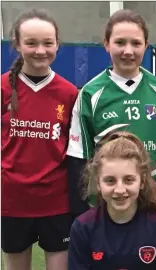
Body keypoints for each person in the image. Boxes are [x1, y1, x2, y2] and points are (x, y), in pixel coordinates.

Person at [66, 9, 156, 220]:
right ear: (106, 44)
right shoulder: (90, 94)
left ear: (146, 46)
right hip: (109, 204)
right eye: (120, 43)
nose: (128, 51)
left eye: (136, 43)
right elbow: (79, 158)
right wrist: (81, 210)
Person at [1, 9, 78, 270]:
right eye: (31, 43)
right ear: (17, 45)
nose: (40, 50)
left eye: (48, 43)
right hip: (11, 202)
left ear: (58, 44)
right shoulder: (2, 88)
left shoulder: (69, 93)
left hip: (56, 202)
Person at [68, 131, 156, 269]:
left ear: (142, 182)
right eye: (110, 181)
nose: (120, 190)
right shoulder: (83, 227)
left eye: (128, 180)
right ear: (98, 183)